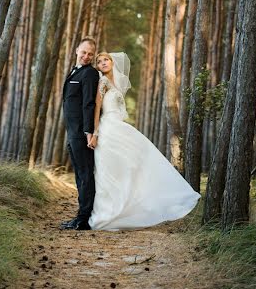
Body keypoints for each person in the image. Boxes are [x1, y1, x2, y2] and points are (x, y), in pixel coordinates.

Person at [88, 51, 201, 230]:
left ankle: (131, 205)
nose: (103, 63)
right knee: (108, 169)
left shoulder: (118, 83)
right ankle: (107, 212)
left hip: (119, 126)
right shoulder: (102, 82)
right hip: (107, 129)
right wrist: (95, 132)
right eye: (99, 61)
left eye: (106, 60)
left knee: (131, 163)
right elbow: (97, 108)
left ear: (111, 62)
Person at [60, 37, 99, 231]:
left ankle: (84, 219)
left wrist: (88, 133)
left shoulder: (90, 74)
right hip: (72, 131)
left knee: (85, 175)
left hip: (81, 133)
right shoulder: (76, 71)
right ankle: (80, 215)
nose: (86, 56)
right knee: (79, 176)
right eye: (83, 52)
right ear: (77, 50)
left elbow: (88, 104)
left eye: (90, 54)